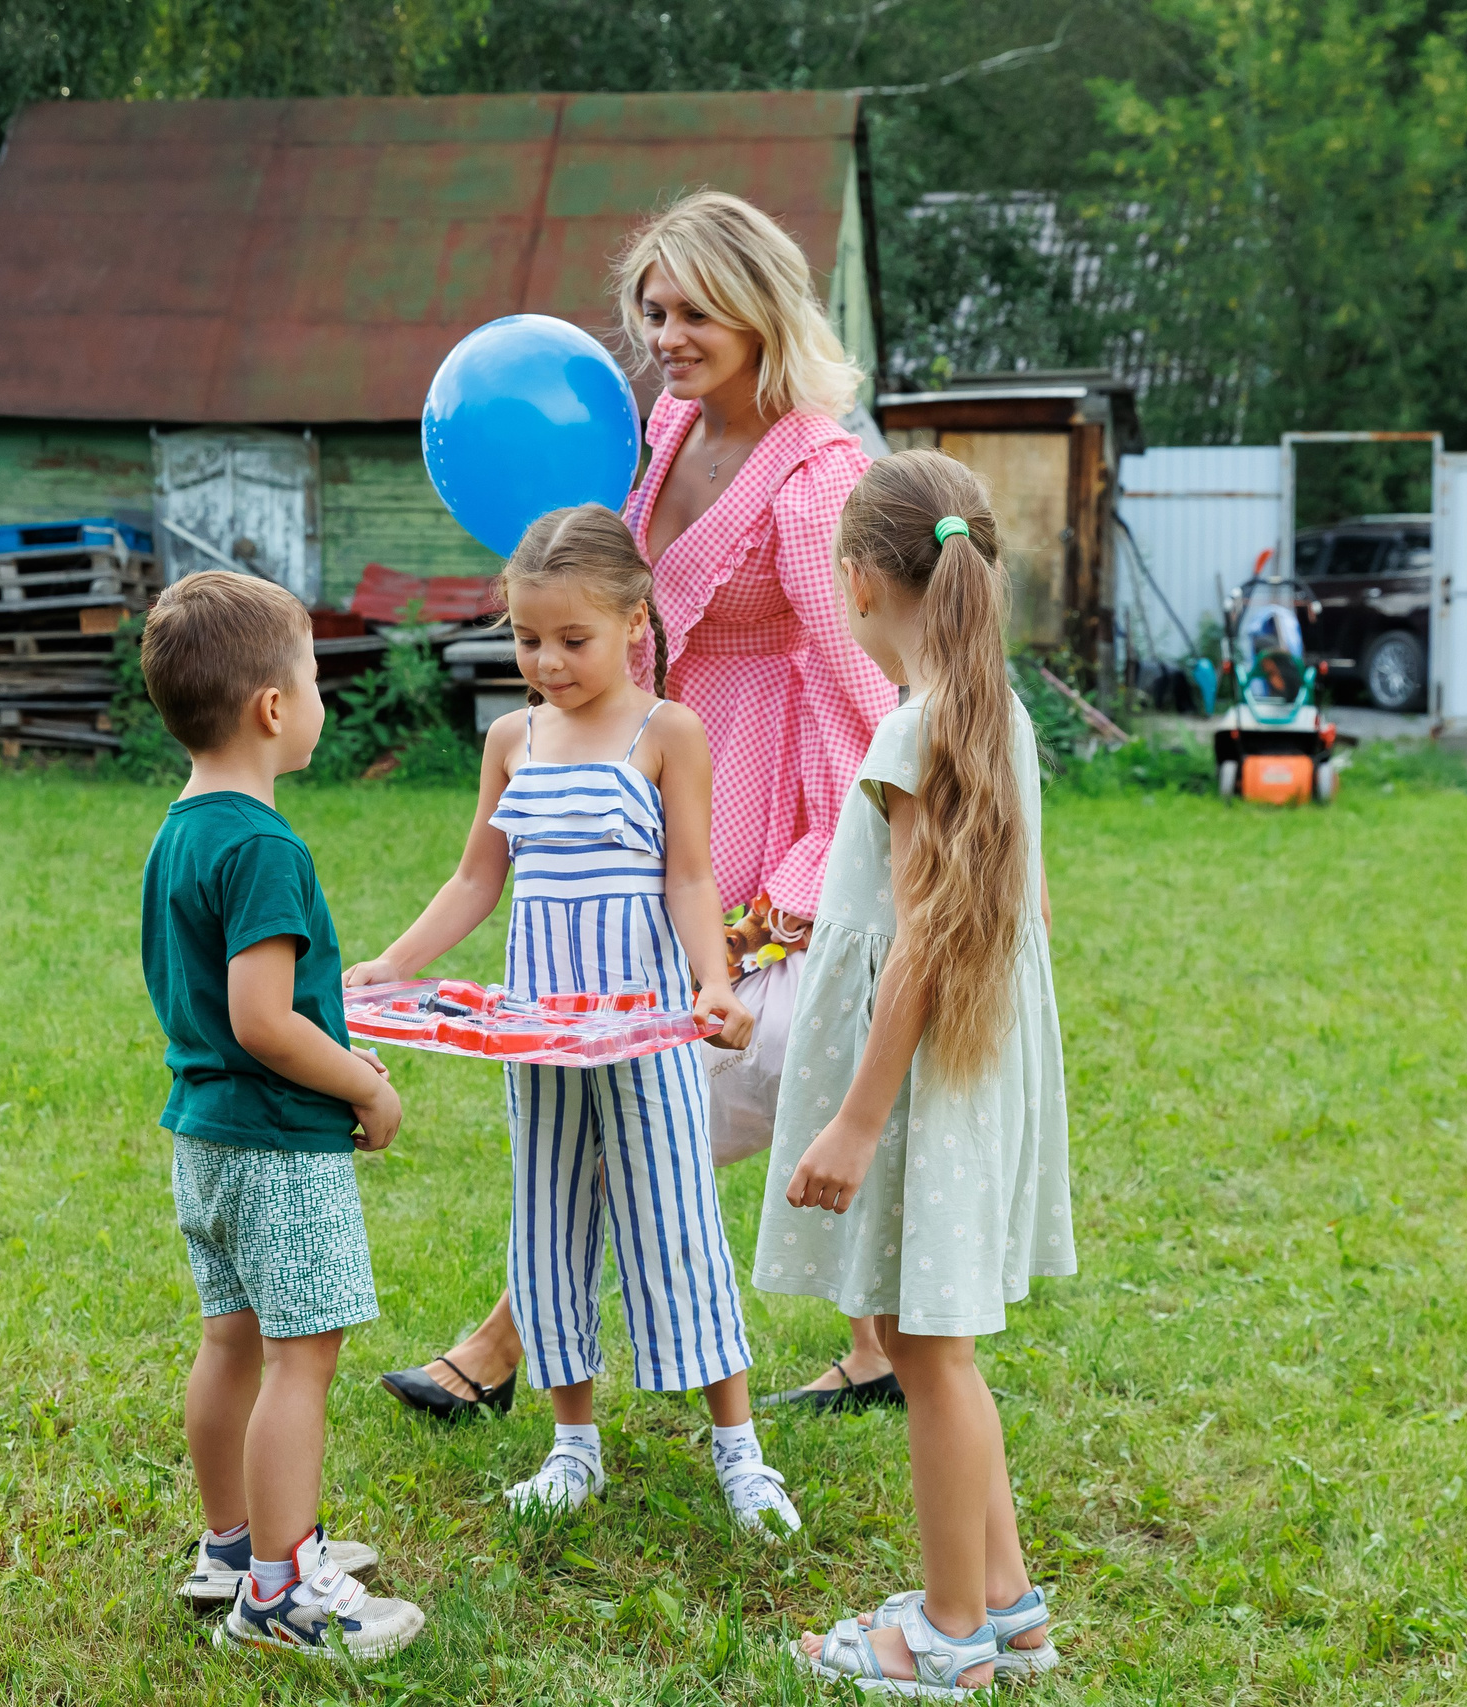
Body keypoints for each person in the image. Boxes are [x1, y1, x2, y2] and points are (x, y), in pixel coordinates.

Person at [380, 188, 900, 1424]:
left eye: (694, 309)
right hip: (665, 773)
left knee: (688, 1073)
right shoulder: (662, 426)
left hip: (791, 790)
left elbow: (864, 672)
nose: (666, 334)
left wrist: (917, 821)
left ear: (758, 305)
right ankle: (874, 1347)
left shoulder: (821, 472)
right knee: (716, 1066)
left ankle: (502, 1345)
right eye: (651, 309)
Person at [344, 507, 798, 1534]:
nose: (545, 662)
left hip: (643, 1028)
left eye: (571, 640)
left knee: (675, 1223)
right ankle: (571, 1445)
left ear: (636, 621)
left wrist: (713, 985)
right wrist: (395, 963)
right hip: (536, 1033)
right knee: (546, 1226)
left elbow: (690, 876)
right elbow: (475, 880)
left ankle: (739, 1450)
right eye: (525, 638)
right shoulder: (510, 739)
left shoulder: (667, 731)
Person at [763, 452, 1075, 1694]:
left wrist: (851, 1120)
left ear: (853, 583)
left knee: (925, 1349)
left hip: (918, 1083)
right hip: (966, 1073)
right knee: (929, 1336)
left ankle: (945, 1636)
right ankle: (1007, 1607)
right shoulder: (993, 712)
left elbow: (924, 946)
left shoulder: (913, 726)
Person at [136, 570, 422, 1660]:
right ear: (270, 707)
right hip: (276, 1144)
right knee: (303, 1357)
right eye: (310, 680)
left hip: (203, 1137)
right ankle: (281, 1591)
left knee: (232, 1342)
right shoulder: (264, 847)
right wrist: (363, 1081)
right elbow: (264, 1019)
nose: (319, 700)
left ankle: (231, 1543)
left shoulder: (181, 831)